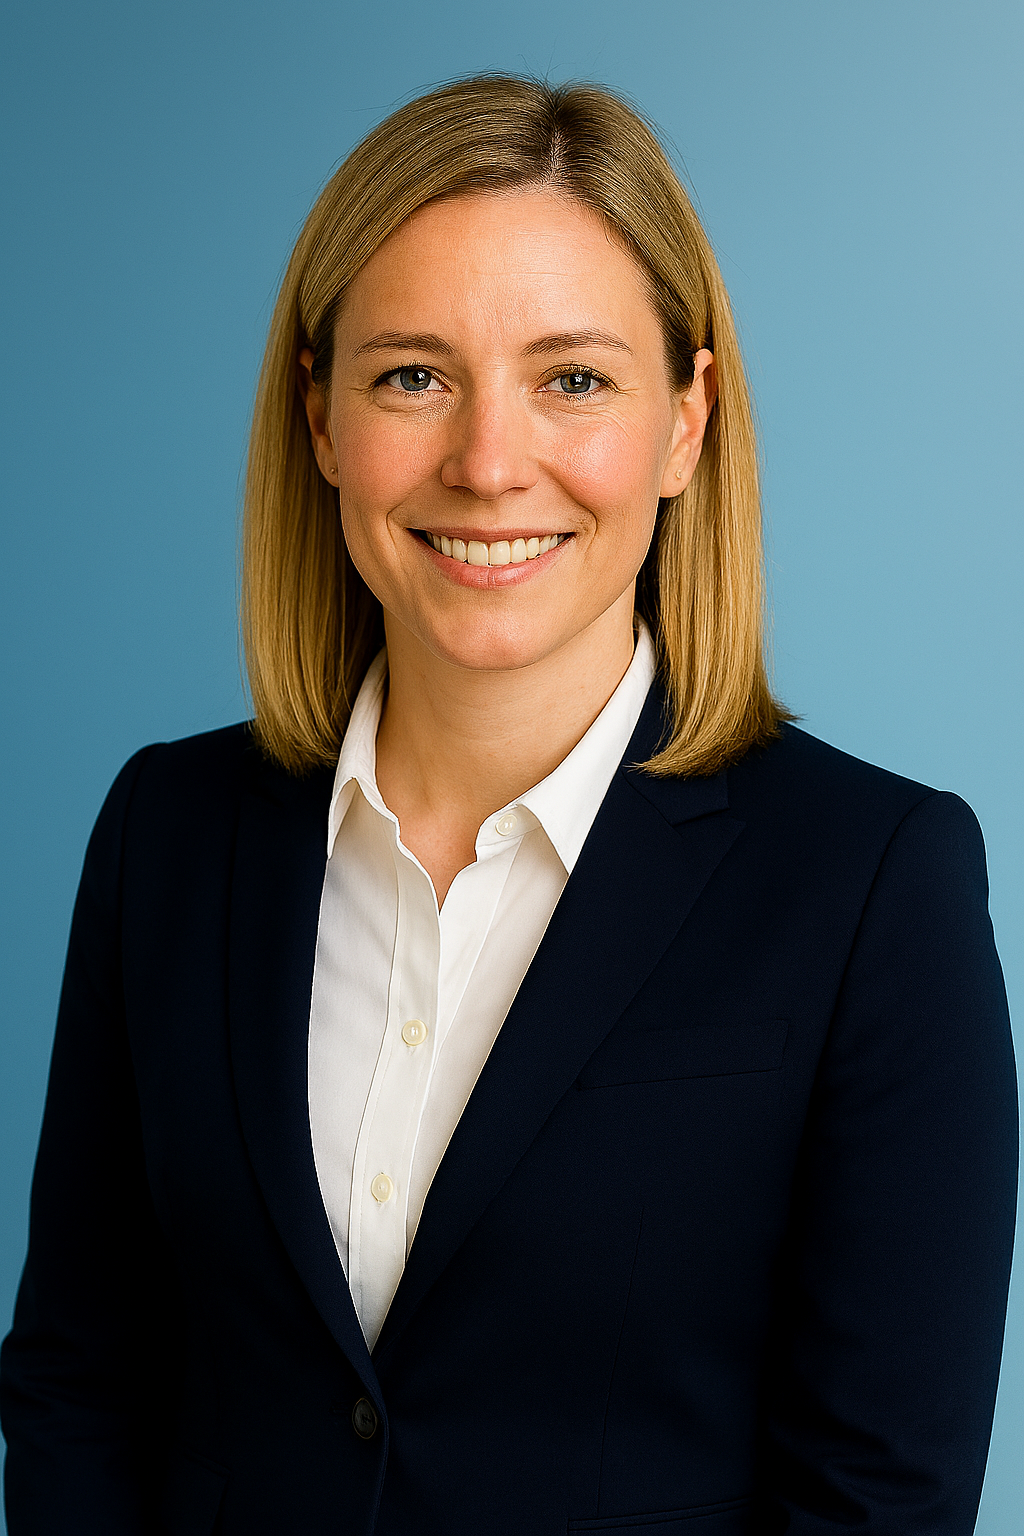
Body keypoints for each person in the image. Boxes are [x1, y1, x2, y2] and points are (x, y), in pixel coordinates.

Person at [0, 73, 1016, 1536]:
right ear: (321, 420)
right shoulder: (167, 833)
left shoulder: (872, 884)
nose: (487, 463)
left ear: (686, 423)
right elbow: (83, 1385)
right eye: (413, 374)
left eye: (573, 379)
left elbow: (879, 1495)